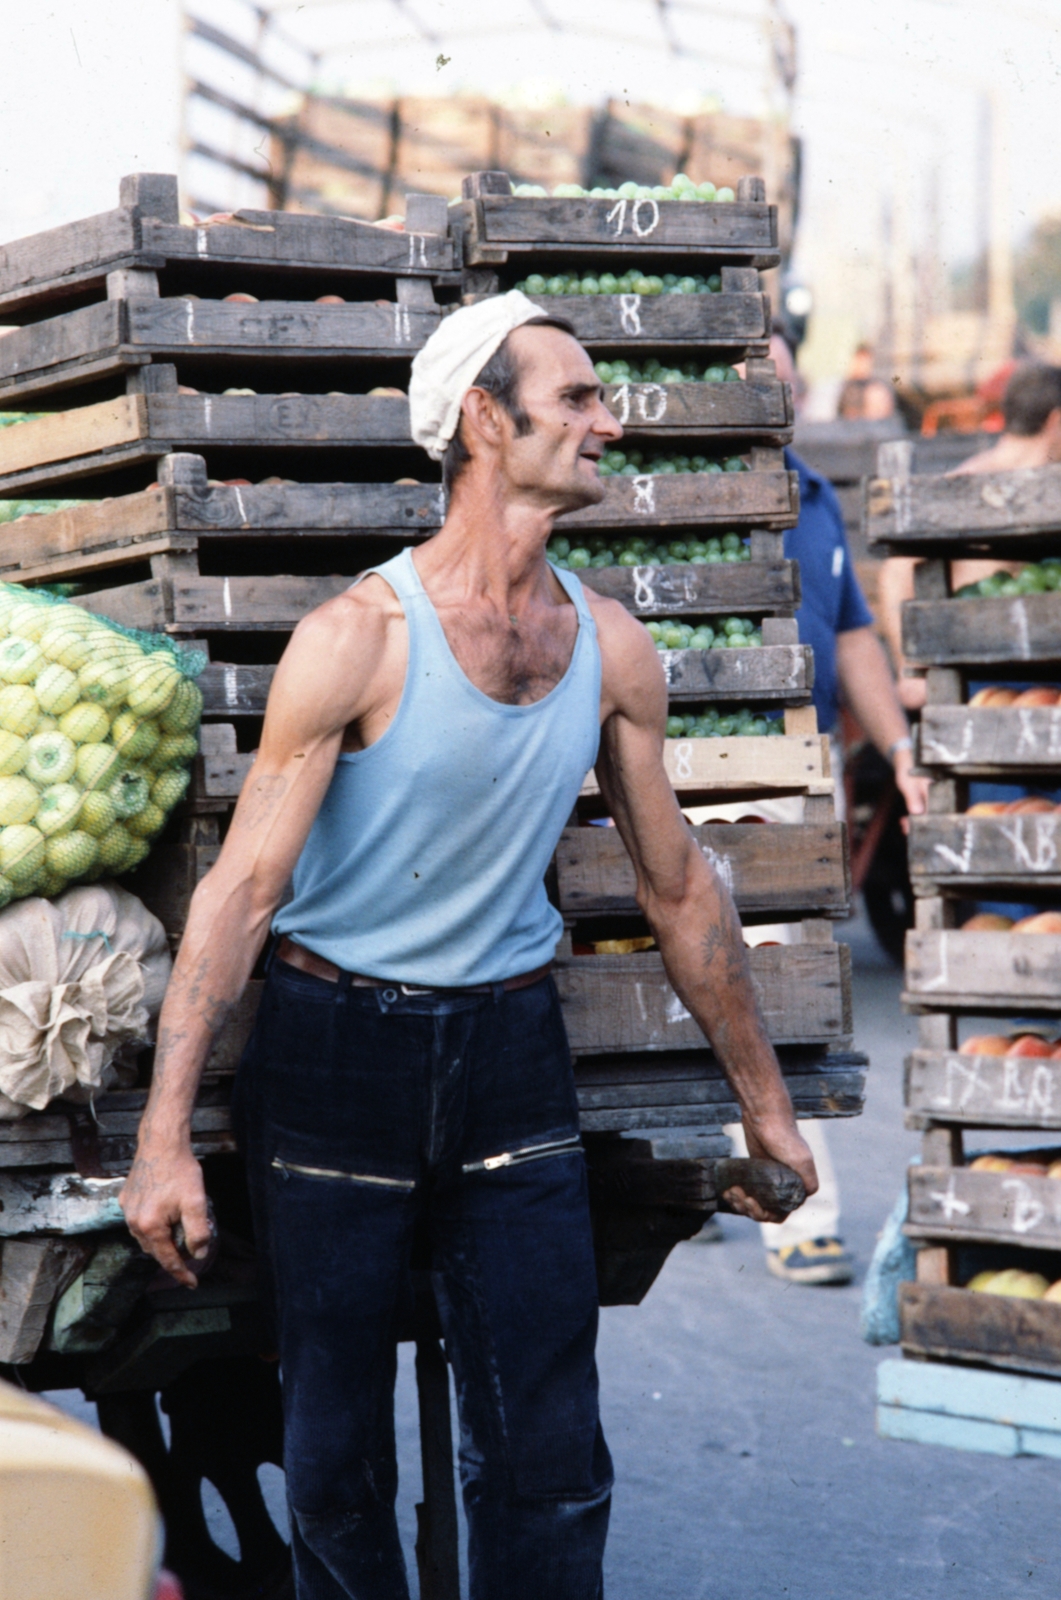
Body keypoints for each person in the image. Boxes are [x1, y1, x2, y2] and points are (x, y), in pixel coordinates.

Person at [120, 292, 817, 1600]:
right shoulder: (356, 642)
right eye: (575, 399)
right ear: (485, 423)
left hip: (507, 1051)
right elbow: (242, 894)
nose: (610, 421)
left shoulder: (608, 647)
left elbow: (677, 891)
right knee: (333, 1450)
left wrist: (766, 1111)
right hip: (334, 1061)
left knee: (551, 1446)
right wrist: (163, 1139)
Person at [717, 334, 928, 1286]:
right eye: (752, 377)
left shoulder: (814, 497)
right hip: (694, 768)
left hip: (798, 765)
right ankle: (744, 1178)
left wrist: (898, 752)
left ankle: (791, 1200)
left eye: (783, 381)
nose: (771, 392)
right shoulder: (684, 494)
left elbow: (851, 642)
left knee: (778, 980)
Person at [879, 362, 1061, 710]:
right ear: (1056, 421)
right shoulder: (969, 487)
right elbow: (897, 571)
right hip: (981, 687)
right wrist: (910, 669)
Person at [837, 342, 896, 422]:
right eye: (859, 360)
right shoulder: (845, 386)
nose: (862, 365)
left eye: (865, 361)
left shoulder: (878, 388)